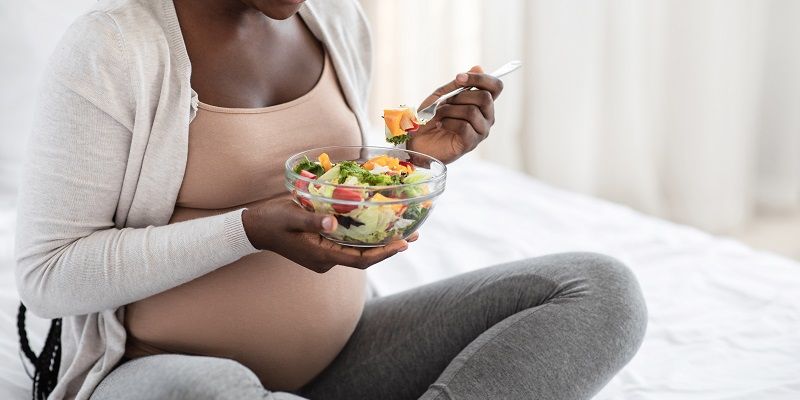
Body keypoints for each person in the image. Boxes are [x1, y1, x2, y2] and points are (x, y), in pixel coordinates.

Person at [14, 0, 647, 399]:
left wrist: (415, 158)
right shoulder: (113, 50)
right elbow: (48, 277)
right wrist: (247, 230)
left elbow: (335, 192)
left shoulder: (335, 19)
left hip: (348, 356)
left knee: (599, 290)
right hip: (169, 374)